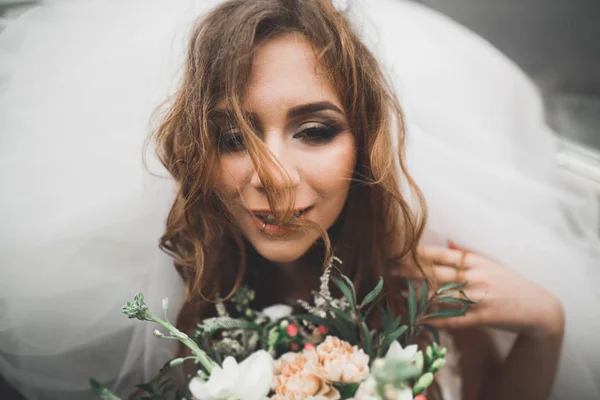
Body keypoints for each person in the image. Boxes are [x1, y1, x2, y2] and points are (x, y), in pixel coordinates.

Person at [0, 1, 598, 399]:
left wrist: (545, 329)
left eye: (315, 130)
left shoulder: (417, 275)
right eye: (233, 138)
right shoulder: (154, 291)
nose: (274, 177)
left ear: (365, 145)